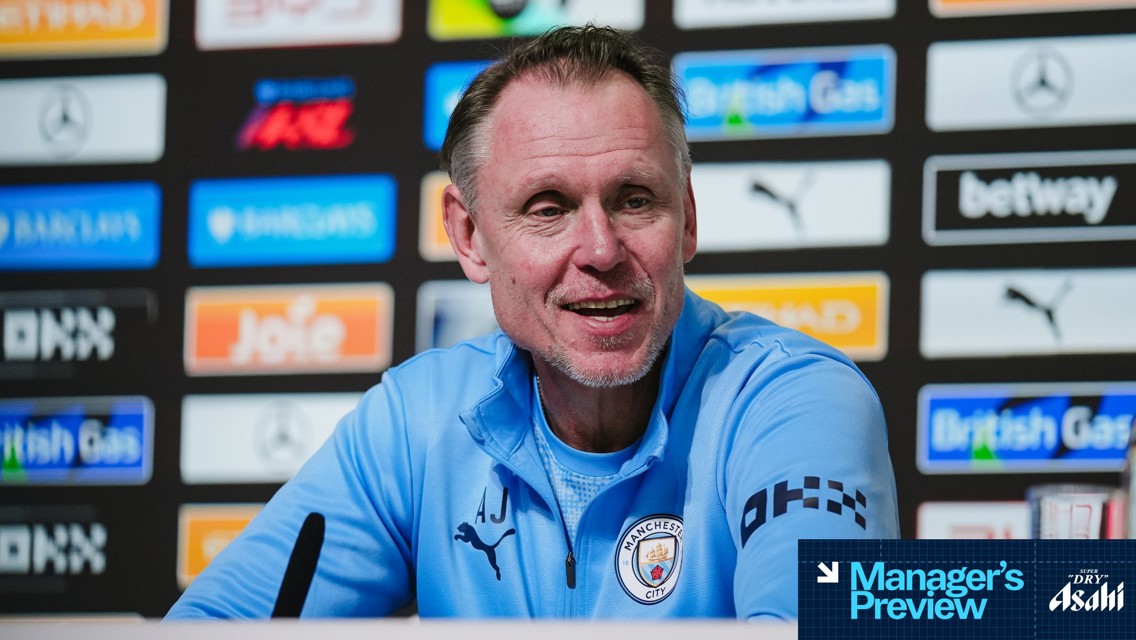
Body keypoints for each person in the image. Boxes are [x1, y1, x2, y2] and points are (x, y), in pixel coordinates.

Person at [166, 24, 899, 621]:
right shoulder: (418, 421)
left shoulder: (794, 398)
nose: (602, 250)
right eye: (548, 208)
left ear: (689, 219)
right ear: (470, 236)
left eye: (636, 198)